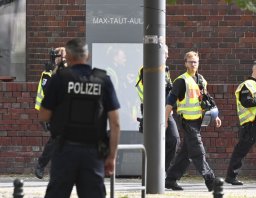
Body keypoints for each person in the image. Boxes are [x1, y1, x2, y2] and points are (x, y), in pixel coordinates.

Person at [39, 38, 121, 198]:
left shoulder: (59, 79)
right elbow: (115, 123)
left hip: (64, 150)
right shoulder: (103, 80)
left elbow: (43, 115)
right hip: (93, 153)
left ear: (67, 57)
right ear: (87, 56)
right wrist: (111, 156)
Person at [164, 51, 222, 192]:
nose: (193, 64)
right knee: (198, 150)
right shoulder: (181, 81)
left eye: (195, 61)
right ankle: (210, 180)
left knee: (186, 153)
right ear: (185, 63)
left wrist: (216, 115)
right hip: (187, 121)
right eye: (190, 62)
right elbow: (170, 101)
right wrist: (165, 119)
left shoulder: (201, 79)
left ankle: (171, 179)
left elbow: (207, 99)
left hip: (198, 121)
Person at [135, 44, 180, 171]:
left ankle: (162, 172)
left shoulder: (165, 70)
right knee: (153, 143)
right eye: (164, 53)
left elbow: (167, 91)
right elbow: (151, 90)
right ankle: (151, 173)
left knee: (174, 139)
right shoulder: (147, 68)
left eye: (167, 53)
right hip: (151, 110)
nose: (167, 56)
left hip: (165, 110)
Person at [34, 47, 67, 179]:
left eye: (63, 57)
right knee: (55, 140)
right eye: (59, 57)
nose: (62, 59)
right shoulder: (48, 73)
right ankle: (41, 165)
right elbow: (46, 91)